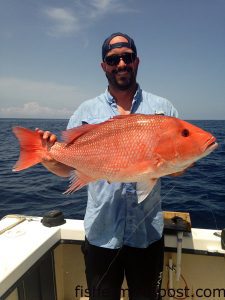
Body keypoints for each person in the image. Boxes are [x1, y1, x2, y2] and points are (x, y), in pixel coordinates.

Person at [38, 33, 179, 300]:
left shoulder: (163, 109)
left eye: (127, 57)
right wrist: (49, 159)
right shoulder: (85, 111)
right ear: (104, 66)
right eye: (113, 59)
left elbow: (178, 167)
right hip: (102, 235)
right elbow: (66, 168)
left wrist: (176, 161)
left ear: (136, 61)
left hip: (146, 235)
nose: (121, 64)